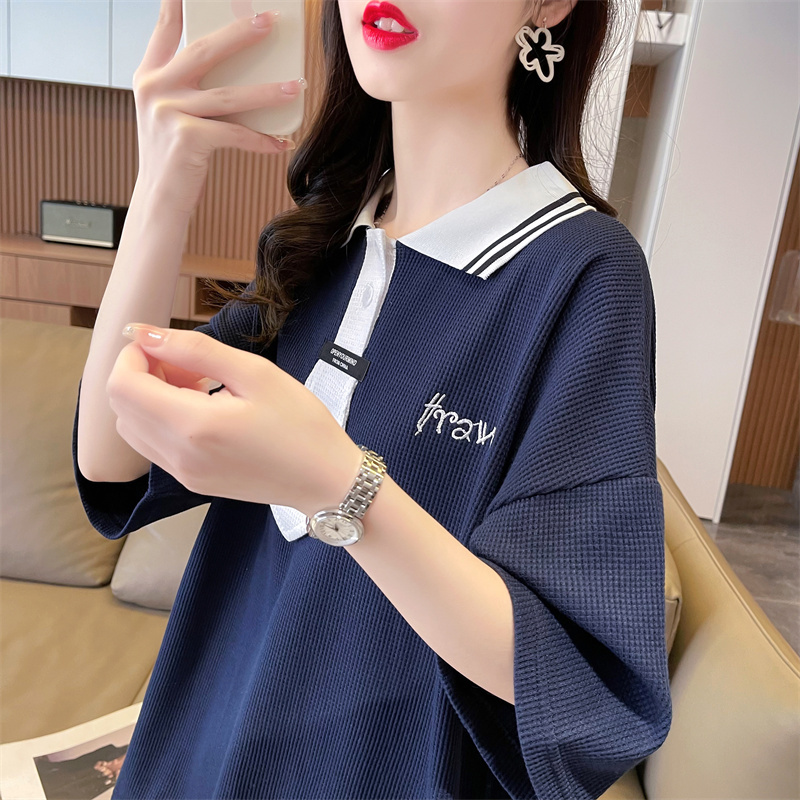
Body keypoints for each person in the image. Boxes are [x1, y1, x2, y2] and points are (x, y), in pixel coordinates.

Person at [71, 0, 673, 798]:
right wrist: (162, 182)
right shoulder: (327, 242)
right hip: (195, 756)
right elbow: (111, 461)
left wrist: (336, 480)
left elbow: (571, 678)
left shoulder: (584, 275)